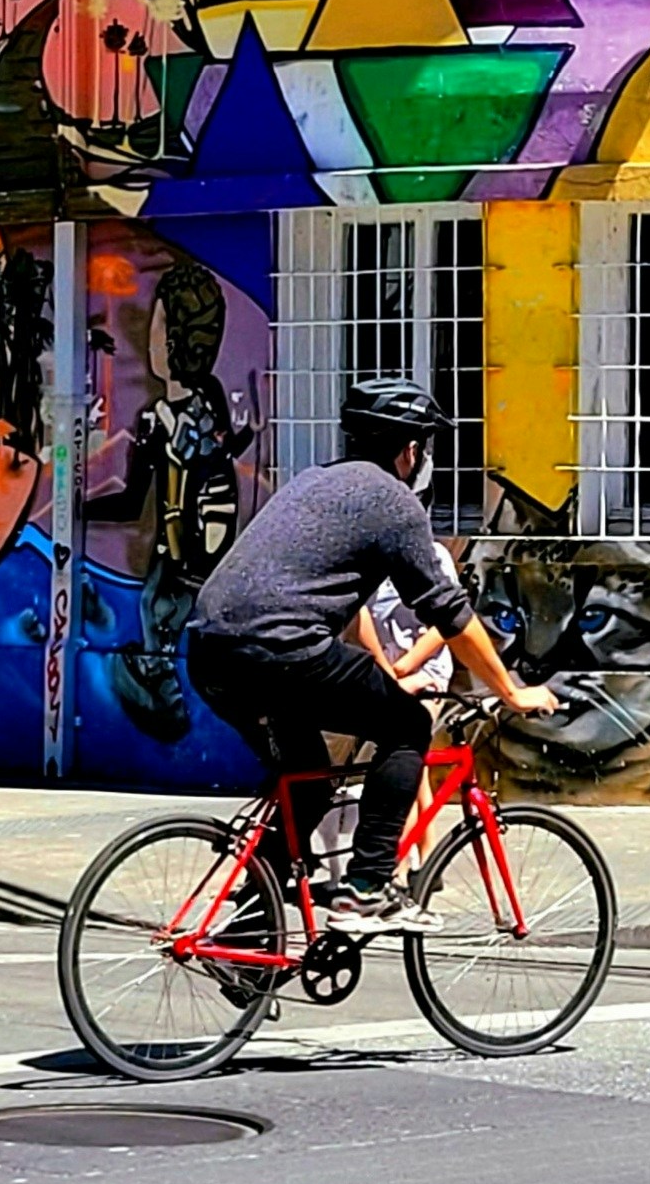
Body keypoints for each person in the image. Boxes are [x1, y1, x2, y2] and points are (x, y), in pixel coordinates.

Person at [188, 378, 557, 931]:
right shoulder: (395, 504)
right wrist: (510, 690)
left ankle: (250, 923)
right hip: (285, 650)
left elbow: (342, 605)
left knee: (308, 776)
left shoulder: (311, 483)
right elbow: (449, 612)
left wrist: (384, 677)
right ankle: (366, 889)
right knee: (406, 725)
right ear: (411, 449)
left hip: (210, 649)